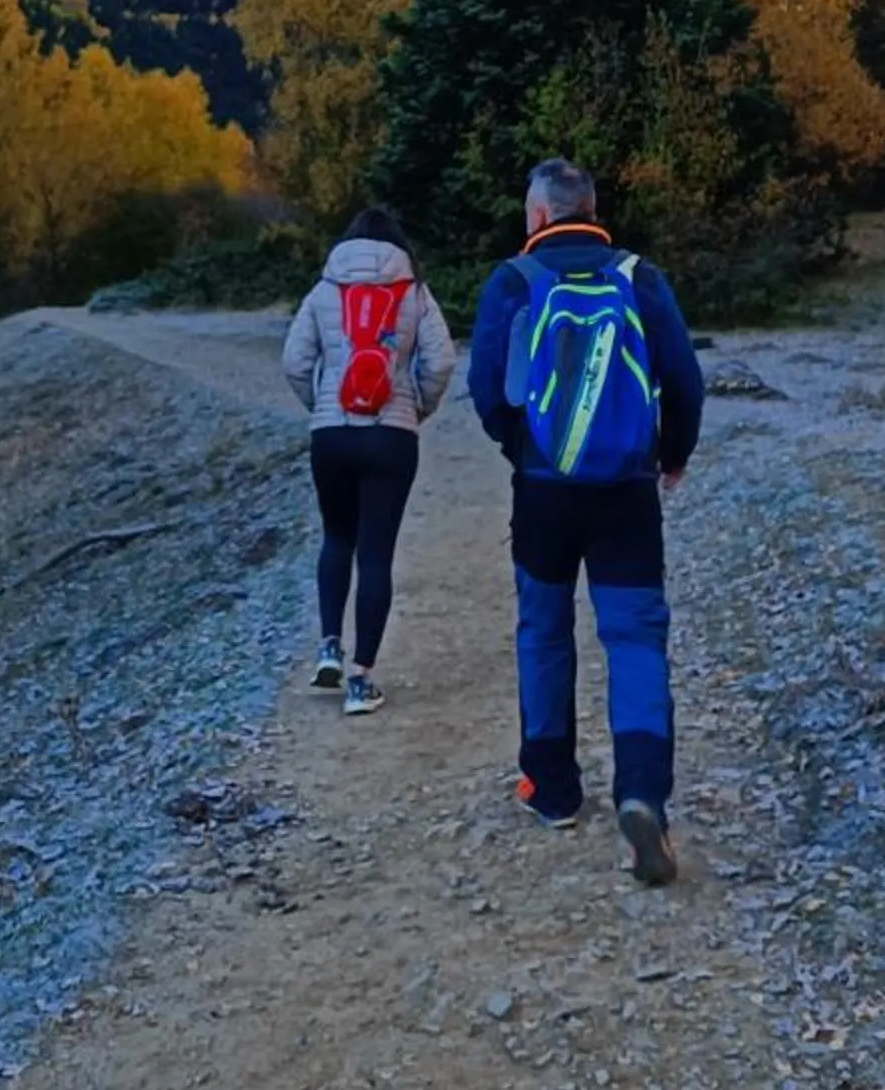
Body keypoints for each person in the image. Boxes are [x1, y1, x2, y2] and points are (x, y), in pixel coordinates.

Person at [468, 158, 703, 886]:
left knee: (543, 628)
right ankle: (642, 798)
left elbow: (485, 389)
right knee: (634, 640)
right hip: (626, 492)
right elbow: (685, 379)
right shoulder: (639, 278)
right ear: (591, 210)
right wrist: (671, 455)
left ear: (538, 216)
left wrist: (524, 448)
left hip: (542, 490)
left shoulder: (513, 282)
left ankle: (553, 789)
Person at [283, 207, 456, 717]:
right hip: (391, 434)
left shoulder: (324, 289)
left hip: (331, 434)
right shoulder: (413, 292)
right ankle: (362, 681)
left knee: (338, 537)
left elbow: (294, 362)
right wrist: (417, 406)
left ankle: (329, 646)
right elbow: (442, 360)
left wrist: (320, 407)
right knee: (376, 553)